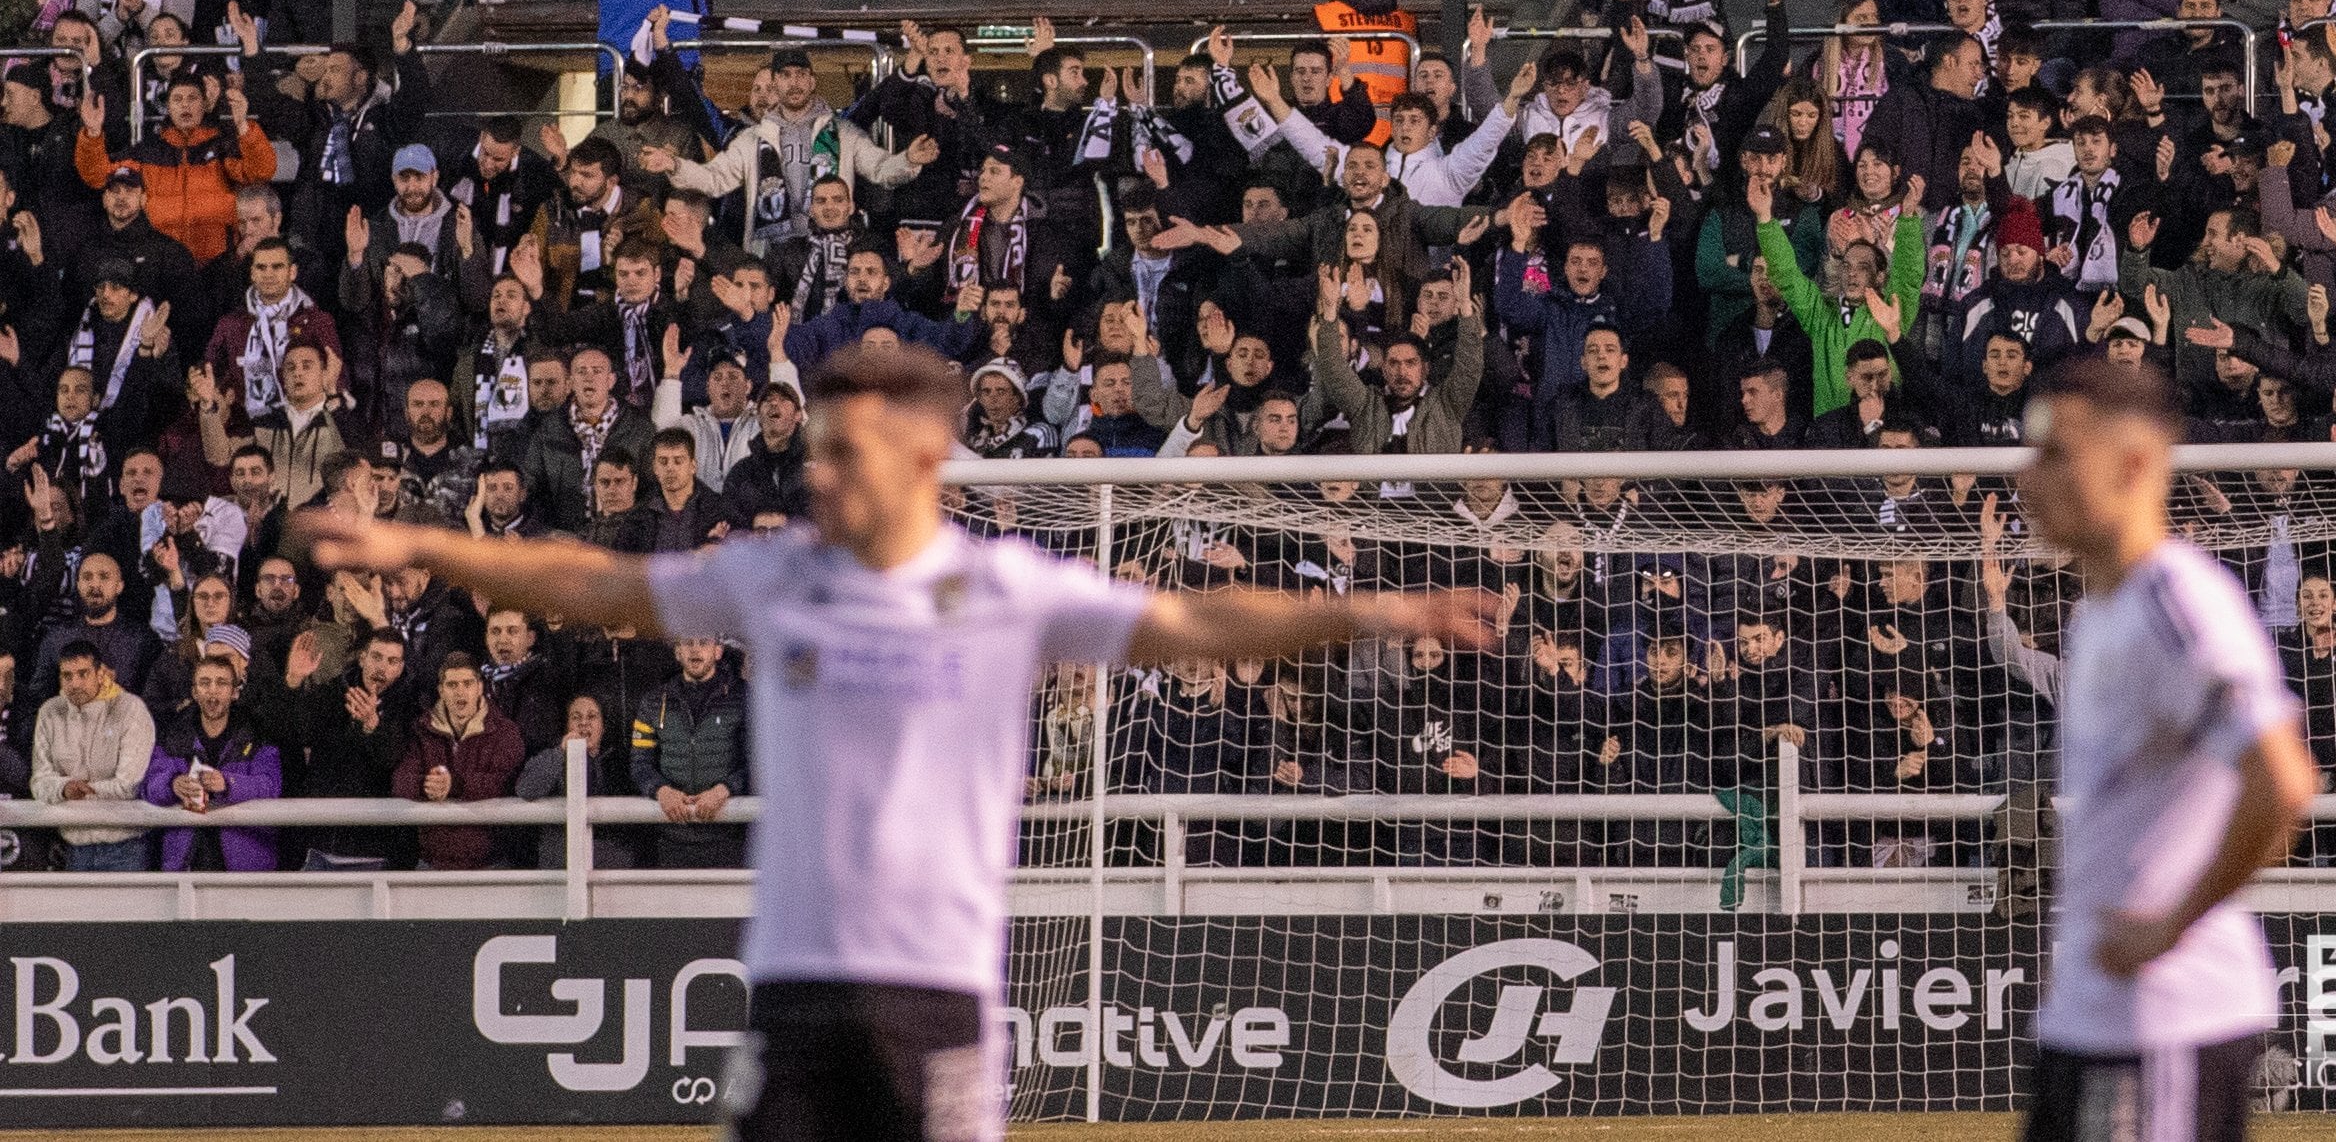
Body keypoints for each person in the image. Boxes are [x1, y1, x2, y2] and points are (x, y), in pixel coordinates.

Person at [298, 341, 1499, 1138]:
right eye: (814, 446)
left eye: (844, 451)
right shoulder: (773, 578)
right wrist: (430, 548)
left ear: (925, 455)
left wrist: (1375, 609)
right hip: (794, 995)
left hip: (940, 1004)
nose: (816, 471)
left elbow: (1192, 620)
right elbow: (597, 583)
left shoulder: (1006, 588)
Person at [2013, 359, 2315, 1142]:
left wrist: (2170, 927)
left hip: (2162, 1026)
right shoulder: (2097, 614)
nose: (2026, 478)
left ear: (2136, 461)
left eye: (2055, 453)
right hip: (2088, 1022)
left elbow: (2282, 784)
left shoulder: (2176, 601)